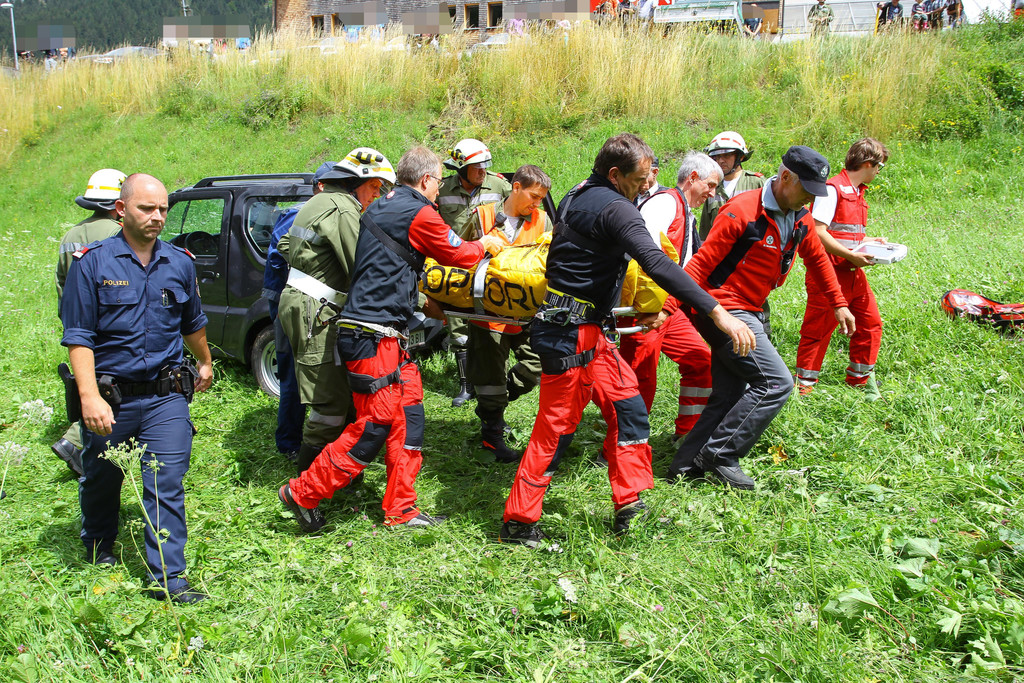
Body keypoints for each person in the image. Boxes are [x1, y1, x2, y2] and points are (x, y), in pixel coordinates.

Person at [499, 134, 755, 547]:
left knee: (629, 410)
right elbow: (654, 261)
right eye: (639, 179)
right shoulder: (617, 209)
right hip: (568, 335)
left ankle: (630, 505)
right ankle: (518, 521)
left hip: (589, 331)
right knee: (556, 429)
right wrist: (716, 310)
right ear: (615, 174)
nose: (646, 186)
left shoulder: (577, 193)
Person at [279, 147, 507, 532]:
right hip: (371, 335)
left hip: (391, 335)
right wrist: (487, 244)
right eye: (438, 181)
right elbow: (462, 254)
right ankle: (302, 493)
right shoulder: (419, 211)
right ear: (426, 181)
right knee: (374, 425)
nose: (439, 189)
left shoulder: (380, 206)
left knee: (410, 415)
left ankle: (401, 508)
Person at [61, 173, 213, 603]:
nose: (157, 217)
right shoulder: (91, 263)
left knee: (166, 481)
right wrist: (89, 396)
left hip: (166, 396)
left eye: (163, 208)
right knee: (101, 476)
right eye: (147, 208)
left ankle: (169, 577)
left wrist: (204, 360)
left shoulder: (180, 262)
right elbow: (79, 336)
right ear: (121, 210)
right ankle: (98, 542)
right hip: (112, 398)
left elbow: (193, 323)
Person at [668, 146, 854, 489]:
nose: (809, 200)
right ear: (785, 178)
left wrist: (839, 303)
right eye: (806, 191)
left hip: (750, 308)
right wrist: (667, 309)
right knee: (775, 384)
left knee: (731, 391)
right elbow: (700, 264)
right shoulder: (743, 210)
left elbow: (818, 261)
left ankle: (686, 465)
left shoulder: (800, 217)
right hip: (722, 309)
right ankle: (721, 455)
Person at [276, 149, 396, 476]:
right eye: (374, 187)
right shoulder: (343, 210)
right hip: (317, 312)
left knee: (340, 394)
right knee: (329, 403)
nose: (377, 195)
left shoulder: (317, 202)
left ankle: (333, 475)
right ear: (356, 183)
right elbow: (363, 266)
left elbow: (286, 245)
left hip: (307, 304)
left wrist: (314, 266)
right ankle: (305, 489)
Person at [620, 152, 721, 448]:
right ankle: (620, 446)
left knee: (700, 360)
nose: (713, 194)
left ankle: (687, 433)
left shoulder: (685, 212)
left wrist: (670, 307)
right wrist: (655, 308)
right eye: (710, 185)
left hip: (667, 307)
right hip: (644, 308)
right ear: (692, 178)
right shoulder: (665, 203)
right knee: (640, 378)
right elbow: (643, 256)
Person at [463, 165, 552, 463]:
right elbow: (459, 256)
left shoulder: (543, 220)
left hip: (526, 314)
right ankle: (492, 435)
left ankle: (496, 402)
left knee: (536, 367)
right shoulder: (482, 216)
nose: (536, 203)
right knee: (489, 379)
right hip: (487, 314)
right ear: (516, 187)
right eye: (533, 196)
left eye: (541, 198)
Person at [795, 138, 889, 401]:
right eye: (879, 166)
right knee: (818, 330)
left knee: (870, 323)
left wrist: (870, 242)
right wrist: (850, 254)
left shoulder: (857, 192)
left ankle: (860, 381)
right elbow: (818, 231)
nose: (879, 172)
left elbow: (843, 233)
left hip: (852, 272)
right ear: (868, 163)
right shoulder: (833, 189)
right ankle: (803, 388)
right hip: (829, 272)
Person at [52, 169, 127, 477]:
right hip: (109, 323)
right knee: (114, 386)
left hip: (77, 324)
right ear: (119, 203)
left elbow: (60, 282)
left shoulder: (71, 235)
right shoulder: (117, 233)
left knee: (93, 381)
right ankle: (75, 443)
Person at [260, 163, 338, 460]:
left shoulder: (315, 211)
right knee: (293, 372)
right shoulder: (300, 213)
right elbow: (281, 256)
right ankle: (290, 443)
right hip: (290, 301)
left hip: (303, 301)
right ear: (321, 186)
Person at [437, 139, 513, 408]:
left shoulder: (499, 184)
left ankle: (491, 382)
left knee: (489, 322)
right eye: (476, 166)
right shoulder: (442, 189)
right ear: (461, 168)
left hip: (492, 263)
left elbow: (518, 212)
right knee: (458, 327)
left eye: (485, 166)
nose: (482, 171)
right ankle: (465, 385)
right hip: (456, 265)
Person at [699, 132, 765, 240]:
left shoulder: (756, 183)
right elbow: (705, 231)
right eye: (717, 157)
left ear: (740, 156)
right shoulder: (711, 188)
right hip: (719, 253)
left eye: (727, 155)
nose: (721, 161)